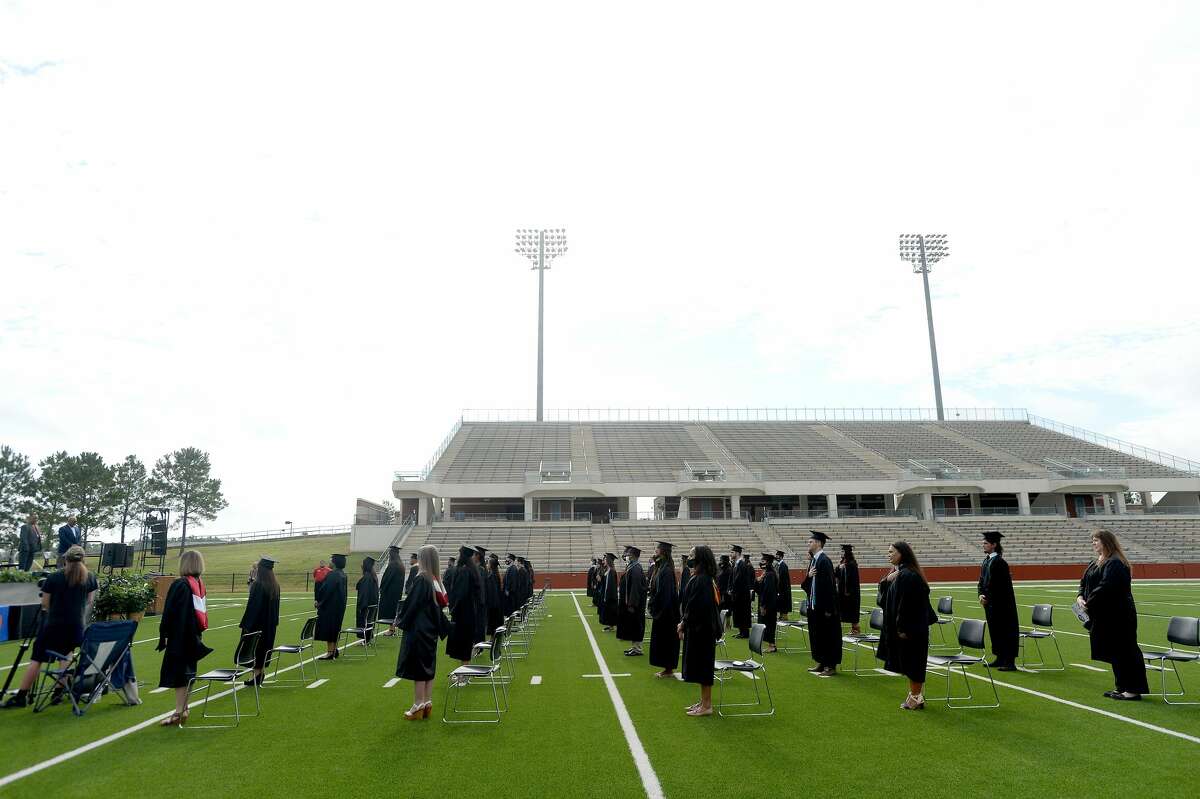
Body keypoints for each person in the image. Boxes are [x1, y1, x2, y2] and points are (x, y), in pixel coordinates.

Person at [2, 545, 98, 709]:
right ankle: (58, 693)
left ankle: (21, 696)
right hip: (76, 626)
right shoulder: (89, 577)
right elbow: (89, 601)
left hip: (54, 625)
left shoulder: (54, 577)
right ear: (83, 559)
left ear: (65, 559)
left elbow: (45, 604)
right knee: (66, 656)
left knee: (37, 659)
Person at [1078, 529, 1148, 701]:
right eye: (1092, 541)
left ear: (1106, 542)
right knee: (1115, 651)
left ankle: (1133, 689)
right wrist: (1080, 597)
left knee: (1126, 650)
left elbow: (1107, 587)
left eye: (1096, 540)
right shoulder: (1096, 562)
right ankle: (1122, 687)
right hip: (1104, 615)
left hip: (1119, 615)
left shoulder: (1115, 562)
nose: (1093, 543)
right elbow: (1084, 582)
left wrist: (1089, 604)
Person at [155, 549, 213, 726]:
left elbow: (170, 613)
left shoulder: (180, 584)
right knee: (188, 673)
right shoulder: (199, 583)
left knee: (180, 675)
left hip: (180, 636)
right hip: (194, 635)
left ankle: (179, 712)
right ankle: (184, 708)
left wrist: (163, 634)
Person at [875, 541, 935, 710]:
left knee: (914, 662)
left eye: (891, 552)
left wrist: (903, 628)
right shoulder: (900, 573)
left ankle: (916, 698)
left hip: (912, 629)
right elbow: (883, 601)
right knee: (910, 662)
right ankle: (915, 696)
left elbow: (908, 605)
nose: (889, 554)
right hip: (907, 628)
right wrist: (887, 580)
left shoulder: (909, 575)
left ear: (902, 553)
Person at [396, 544, 448, 721]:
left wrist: (400, 621)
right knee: (428, 665)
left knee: (418, 667)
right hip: (431, 630)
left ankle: (417, 704)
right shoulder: (435, 580)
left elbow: (412, 604)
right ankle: (427, 702)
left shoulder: (421, 579)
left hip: (419, 629)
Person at [678, 545, 719, 717]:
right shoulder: (701, 577)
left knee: (703, 667)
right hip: (698, 628)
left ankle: (707, 705)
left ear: (700, 558)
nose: (689, 557)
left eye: (692, 554)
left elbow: (695, 606)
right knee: (700, 665)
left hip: (703, 630)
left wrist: (683, 623)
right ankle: (703, 701)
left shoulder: (703, 579)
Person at [801, 530, 842, 676]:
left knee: (828, 636)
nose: (808, 543)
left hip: (824, 608)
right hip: (814, 606)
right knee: (817, 635)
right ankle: (821, 661)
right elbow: (805, 586)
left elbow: (830, 586)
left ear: (818, 543)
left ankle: (830, 665)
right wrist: (808, 576)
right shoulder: (814, 560)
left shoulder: (824, 560)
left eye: (811, 541)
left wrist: (829, 609)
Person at [978, 531, 1018, 671]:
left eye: (986, 543)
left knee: (1005, 631)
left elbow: (998, 585)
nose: (983, 545)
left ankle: (1009, 661)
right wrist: (981, 595)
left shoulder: (1000, 562)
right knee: (995, 631)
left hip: (1002, 605)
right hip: (990, 604)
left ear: (994, 545)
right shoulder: (986, 560)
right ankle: (1000, 657)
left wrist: (987, 597)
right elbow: (982, 581)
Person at [239, 556, 280, 686]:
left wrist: (246, 625)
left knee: (256, 649)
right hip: (270, 625)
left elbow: (253, 607)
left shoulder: (258, 585)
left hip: (257, 625)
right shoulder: (275, 585)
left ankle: (256, 675)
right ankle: (259, 674)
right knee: (264, 649)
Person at [648, 541, 680, 677]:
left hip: (666, 614)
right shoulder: (662, 567)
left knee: (666, 641)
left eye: (657, 548)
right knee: (662, 641)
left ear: (663, 551)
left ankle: (668, 669)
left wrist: (659, 612)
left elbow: (665, 594)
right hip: (662, 611)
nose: (655, 550)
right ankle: (666, 669)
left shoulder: (666, 570)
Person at [445, 545, 478, 672]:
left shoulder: (465, 571)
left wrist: (453, 608)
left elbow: (461, 594)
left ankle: (464, 673)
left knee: (463, 643)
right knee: (465, 643)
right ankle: (463, 670)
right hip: (468, 612)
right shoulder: (471, 569)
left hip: (463, 613)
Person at [314, 553, 348, 660]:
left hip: (330, 607)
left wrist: (319, 602)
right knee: (335, 628)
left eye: (331, 560)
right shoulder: (343, 574)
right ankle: (334, 649)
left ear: (335, 562)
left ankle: (330, 652)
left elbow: (326, 590)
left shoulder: (333, 575)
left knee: (329, 628)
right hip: (339, 606)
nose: (330, 562)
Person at [617, 545, 647, 656]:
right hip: (633, 603)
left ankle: (637, 649)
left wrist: (632, 604)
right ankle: (634, 647)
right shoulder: (632, 567)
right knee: (633, 626)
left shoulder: (635, 568)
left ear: (634, 556)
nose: (627, 556)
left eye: (629, 554)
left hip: (636, 605)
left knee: (636, 626)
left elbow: (635, 587)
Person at [379, 546, 407, 636]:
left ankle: (391, 630)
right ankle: (393, 628)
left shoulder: (393, 565)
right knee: (395, 611)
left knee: (391, 611)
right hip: (397, 593)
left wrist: (382, 589)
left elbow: (387, 579)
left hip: (390, 593)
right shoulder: (400, 564)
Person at [835, 544, 862, 635]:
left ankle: (856, 629)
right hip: (843, 593)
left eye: (843, 551)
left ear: (847, 553)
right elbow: (836, 574)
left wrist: (848, 591)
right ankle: (852, 629)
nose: (841, 553)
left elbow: (852, 580)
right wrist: (839, 567)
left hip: (851, 593)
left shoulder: (852, 564)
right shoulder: (842, 564)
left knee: (853, 611)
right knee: (843, 610)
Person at [755, 552, 778, 653]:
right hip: (767, 603)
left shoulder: (770, 574)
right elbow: (759, 590)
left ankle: (772, 645)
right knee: (767, 623)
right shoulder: (766, 574)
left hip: (769, 604)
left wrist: (763, 605)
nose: (761, 563)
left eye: (763, 561)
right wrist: (758, 580)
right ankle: (770, 644)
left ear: (768, 562)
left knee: (769, 624)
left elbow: (767, 591)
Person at [355, 556, 380, 644]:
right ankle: (368, 638)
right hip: (372, 604)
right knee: (369, 620)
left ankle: (366, 639)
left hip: (367, 605)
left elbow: (364, 593)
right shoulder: (373, 576)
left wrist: (362, 605)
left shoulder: (367, 577)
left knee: (366, 620)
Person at [730, 545, 753, 638]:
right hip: (738, 594)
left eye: (732, 552)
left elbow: (738, 579)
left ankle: (745, 633)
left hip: (742, 594)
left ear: (737, 553)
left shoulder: (742, 564)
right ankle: (741, 631)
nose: (731, 554)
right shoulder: (736, 564)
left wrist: (732, 589)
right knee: (738, 613)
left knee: (743, 613)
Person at [471, 546, 488, 645]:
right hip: (480, 601)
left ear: (478, 556)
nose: (472, 557)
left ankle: (478, 644)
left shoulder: (480, 569)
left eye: (474, 554)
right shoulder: (481, 568)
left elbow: (479, 588)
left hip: (478, 601)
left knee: (478, 624)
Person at [484, 554, 503, 638]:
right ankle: (493, 638)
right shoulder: (496, 574)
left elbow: (492, 592)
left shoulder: (492, 576)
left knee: (493, 623)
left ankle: (492, 639)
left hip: (493, 605)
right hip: (496, 604)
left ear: (491, 565)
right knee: (494, 623)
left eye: (488, 563)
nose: (487, 565)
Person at [599, 552, 618, 630]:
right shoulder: (608, 570)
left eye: (605, 559)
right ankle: (610, 625)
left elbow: (611, 586)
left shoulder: (612, 571)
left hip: (610, 596)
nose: (604, 561)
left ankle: (612, 625)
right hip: (607, 594)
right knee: (608, 611)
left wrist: (607, 596)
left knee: (611, 611)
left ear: (609, 561)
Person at [775, 550, 792, 620]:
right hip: (780, 588)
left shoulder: (783, 566)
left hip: (783, 589)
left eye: (778, 556)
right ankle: (781, 615)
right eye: (776, 556)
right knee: (780, 603)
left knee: (783, 603)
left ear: (781, 557)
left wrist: (779, 589)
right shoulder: (777, 565)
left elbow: (783, 580)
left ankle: (784, 616)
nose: (776, 557)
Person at [715, 554, 731, 626]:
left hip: (726, 592)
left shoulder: (729, 570)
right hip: (719, 591)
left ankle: (728, 623)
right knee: (719, 607)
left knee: (727, 607)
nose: (721, 562)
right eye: (720, 560)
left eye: (722, 560)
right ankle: (720, 622)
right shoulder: (719, 568)